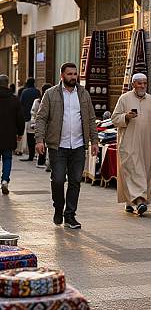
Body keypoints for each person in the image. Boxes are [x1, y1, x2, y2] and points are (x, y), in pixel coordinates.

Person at [35, 63, 98, 229]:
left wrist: (95, 141)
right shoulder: (50, 94)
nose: (73, 77)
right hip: (58, 146)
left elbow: (91, 119)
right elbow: (41, 118)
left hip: (78, 145)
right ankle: (58, 207)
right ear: (62, 75)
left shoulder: (83, 94)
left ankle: (70, 215)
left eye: (75, 74)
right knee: (58, 180)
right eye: (69, 74)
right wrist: (39, 140)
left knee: (75, 181)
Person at [111, 73, 151, 216]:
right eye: (139, 83)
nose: (142, 86)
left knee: (145, 170)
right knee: (134, 169)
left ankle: (130, 201)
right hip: (129, 142)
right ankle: (140, 201)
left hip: (147, 142)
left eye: (144, 83)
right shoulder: (124, 99)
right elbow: (114, 118)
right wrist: (126, 117)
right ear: (133, 84)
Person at [0, 74, 25, 195]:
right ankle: (5, 180)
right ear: (7, 84)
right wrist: (20, 132)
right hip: (8, 135)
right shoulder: (14, 99)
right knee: (7, 158)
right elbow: (20, 118)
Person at [31, 83, 52, 168]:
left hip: (42, 125)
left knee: (42, 143)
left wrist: (34, 123)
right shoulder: (49, 100)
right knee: (47, 144)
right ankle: (45, 162)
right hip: (48, 126)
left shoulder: (38, 101)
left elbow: (33, 113)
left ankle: (42, 161)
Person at [19, 78, 40, 162]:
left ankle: (30, 154)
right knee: (36, 137)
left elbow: (21, 103)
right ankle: (36, 153)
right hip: (37, 118)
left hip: (27, 117)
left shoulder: (24, 92)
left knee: (29, 137)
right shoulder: (37, 92)